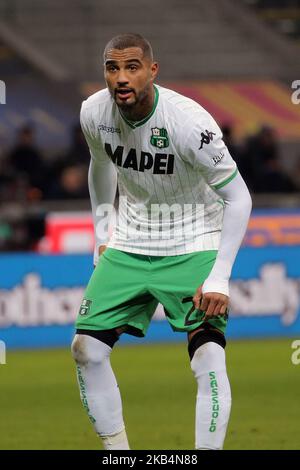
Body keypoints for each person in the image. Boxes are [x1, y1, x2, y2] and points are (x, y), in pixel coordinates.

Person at [71, 33, 252, 450]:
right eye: (112, 67)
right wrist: (103, 232)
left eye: (131, 67)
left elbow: (239, 197)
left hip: (195, 237)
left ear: (153, 71)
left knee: (207, 357)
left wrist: (220, 277)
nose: (120, 77)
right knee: (86, 350)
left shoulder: (190, 123)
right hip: (132, 239)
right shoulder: (93, 113)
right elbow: (101, 167)